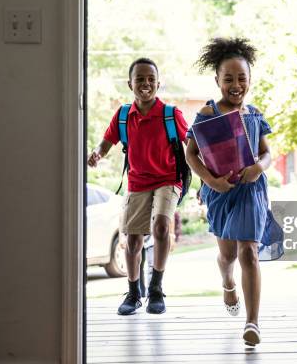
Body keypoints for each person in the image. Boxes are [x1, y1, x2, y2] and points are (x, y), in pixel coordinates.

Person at [185, 37, 277, 346]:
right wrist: (210, 182)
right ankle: (227, 281)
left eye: (242, 78)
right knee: (227, 256)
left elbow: (267, 153)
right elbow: (191, 154)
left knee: (248, 251)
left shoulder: (254, 113)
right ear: (217, 81)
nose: (235, 84)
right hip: (220, 191)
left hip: (251, 189)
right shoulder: (208, 114)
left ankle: (253, 322)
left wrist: (258, 168)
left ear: (249, 81)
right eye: (228, 79)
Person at [87, 57, 188, 315]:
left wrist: (207, 175)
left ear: (158, 83)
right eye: (140, 79)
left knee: (162, 226)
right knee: (133, 241)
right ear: (130, 83)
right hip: (137, 182)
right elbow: (106, 142)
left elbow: (192, 145)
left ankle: (156, 288)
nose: (146, 83)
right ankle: (133, 293)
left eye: (151, 79)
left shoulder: (170, 114)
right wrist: (97, 154)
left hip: (168, 178)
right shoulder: (123, 115)